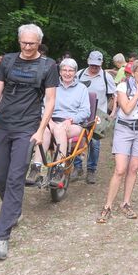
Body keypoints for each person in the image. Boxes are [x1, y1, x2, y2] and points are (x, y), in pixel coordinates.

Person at [0, 24, 58, 260]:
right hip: (3, 126)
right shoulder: (7, 62)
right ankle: (13, 209)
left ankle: (1, 237)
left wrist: (40, 130)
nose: (27, 47)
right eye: (24, 43)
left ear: (39, 43)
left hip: (27, 129)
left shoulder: (49, 66)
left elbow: (50, 101)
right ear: (19, 41)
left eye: (32, 43)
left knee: (15, 177)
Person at [97, 59, 138, 222]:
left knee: (133, 169)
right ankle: (107, 206)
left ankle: (125, 203)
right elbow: (126, 108)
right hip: (124, 129)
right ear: (133, 72)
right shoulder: (123, 86)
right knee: (120, 169)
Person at [26, 58, 90, 186]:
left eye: (71, 70)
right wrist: (48, 120)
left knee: (60, 129)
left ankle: (60, 169)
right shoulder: (52, 86)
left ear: (75, 72)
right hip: (51, 120)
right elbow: (43, 106)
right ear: (60, 72)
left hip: (73, 124)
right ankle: (36, 168)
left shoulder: (82, 88)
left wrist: (71, 120)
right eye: (64, 70)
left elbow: (85, 111)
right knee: (44, 131)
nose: (67, 73)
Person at [73, 51, 117, 184]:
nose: (94, 68)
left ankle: (91, 170)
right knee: (76, 140)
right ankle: (77, 167)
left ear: (101, 63)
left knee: (94, 143)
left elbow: (114, 95)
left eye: (97, 65)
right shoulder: (79, 74)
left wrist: (112, 112)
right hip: (80, 113)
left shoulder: (106, 77)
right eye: (92, 65)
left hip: (99, 114)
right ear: (88, 61)